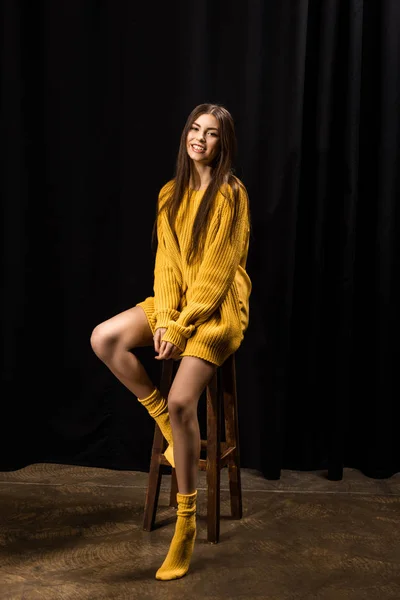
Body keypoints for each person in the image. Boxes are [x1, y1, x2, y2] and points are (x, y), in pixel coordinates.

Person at [90, 103, 252, 580]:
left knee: (186, 403)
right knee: (105, 339)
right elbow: (166, 265)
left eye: (212, 134)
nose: (199, 138)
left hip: (216, 310)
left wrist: (181, 325)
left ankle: (185, 524)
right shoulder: (169, 194)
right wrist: (164, 318)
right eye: (194, 129)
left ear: (224, 144)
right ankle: (161, 418)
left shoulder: (230, 194)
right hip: (177, 305)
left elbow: (216, 273)